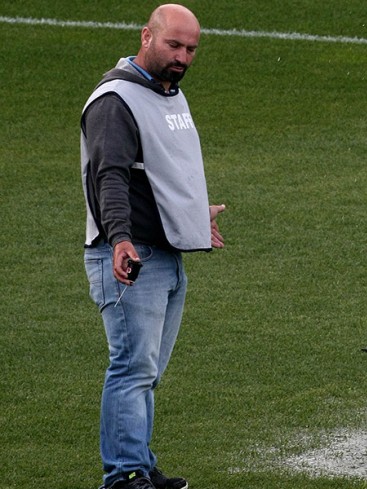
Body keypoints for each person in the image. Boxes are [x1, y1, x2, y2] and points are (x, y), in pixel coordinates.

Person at [80, 4, 225, 488]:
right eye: (174, 45)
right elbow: (110, 179)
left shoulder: (168, 94)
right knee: (131, 368)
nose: (183, 56)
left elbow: (161, 172)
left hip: (165, 253)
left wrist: (192, 216)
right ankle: (122, 477)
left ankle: (138, 463)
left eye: (191, 49)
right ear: (147, 36)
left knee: (147, 373)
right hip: (130, 257)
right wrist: (121, 239)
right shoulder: (115, 101)